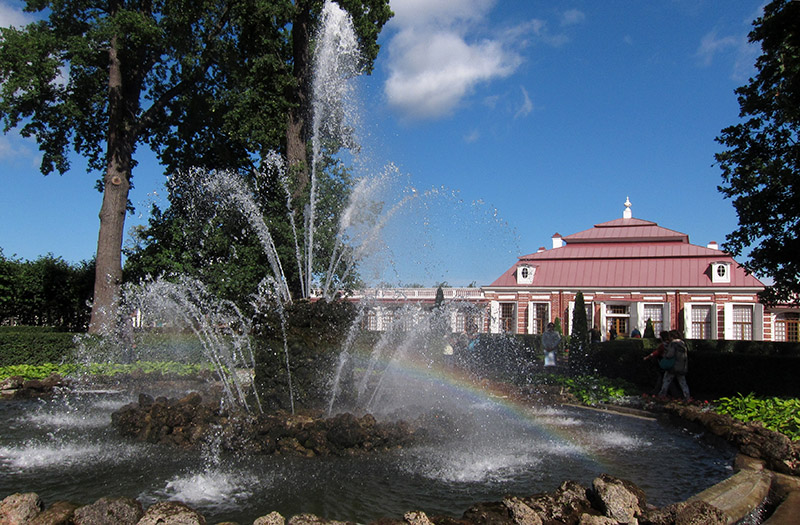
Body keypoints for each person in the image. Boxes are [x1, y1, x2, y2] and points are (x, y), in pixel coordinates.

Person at [658, 329, 690, 400]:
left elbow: (670, 355)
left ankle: (661, 396)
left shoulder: (673, 344)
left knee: (666, 381)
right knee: (683, 383)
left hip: (673, 366)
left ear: (672, 336)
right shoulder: (683, 343)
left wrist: (665, 355)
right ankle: (687, 397)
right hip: (682, 366)